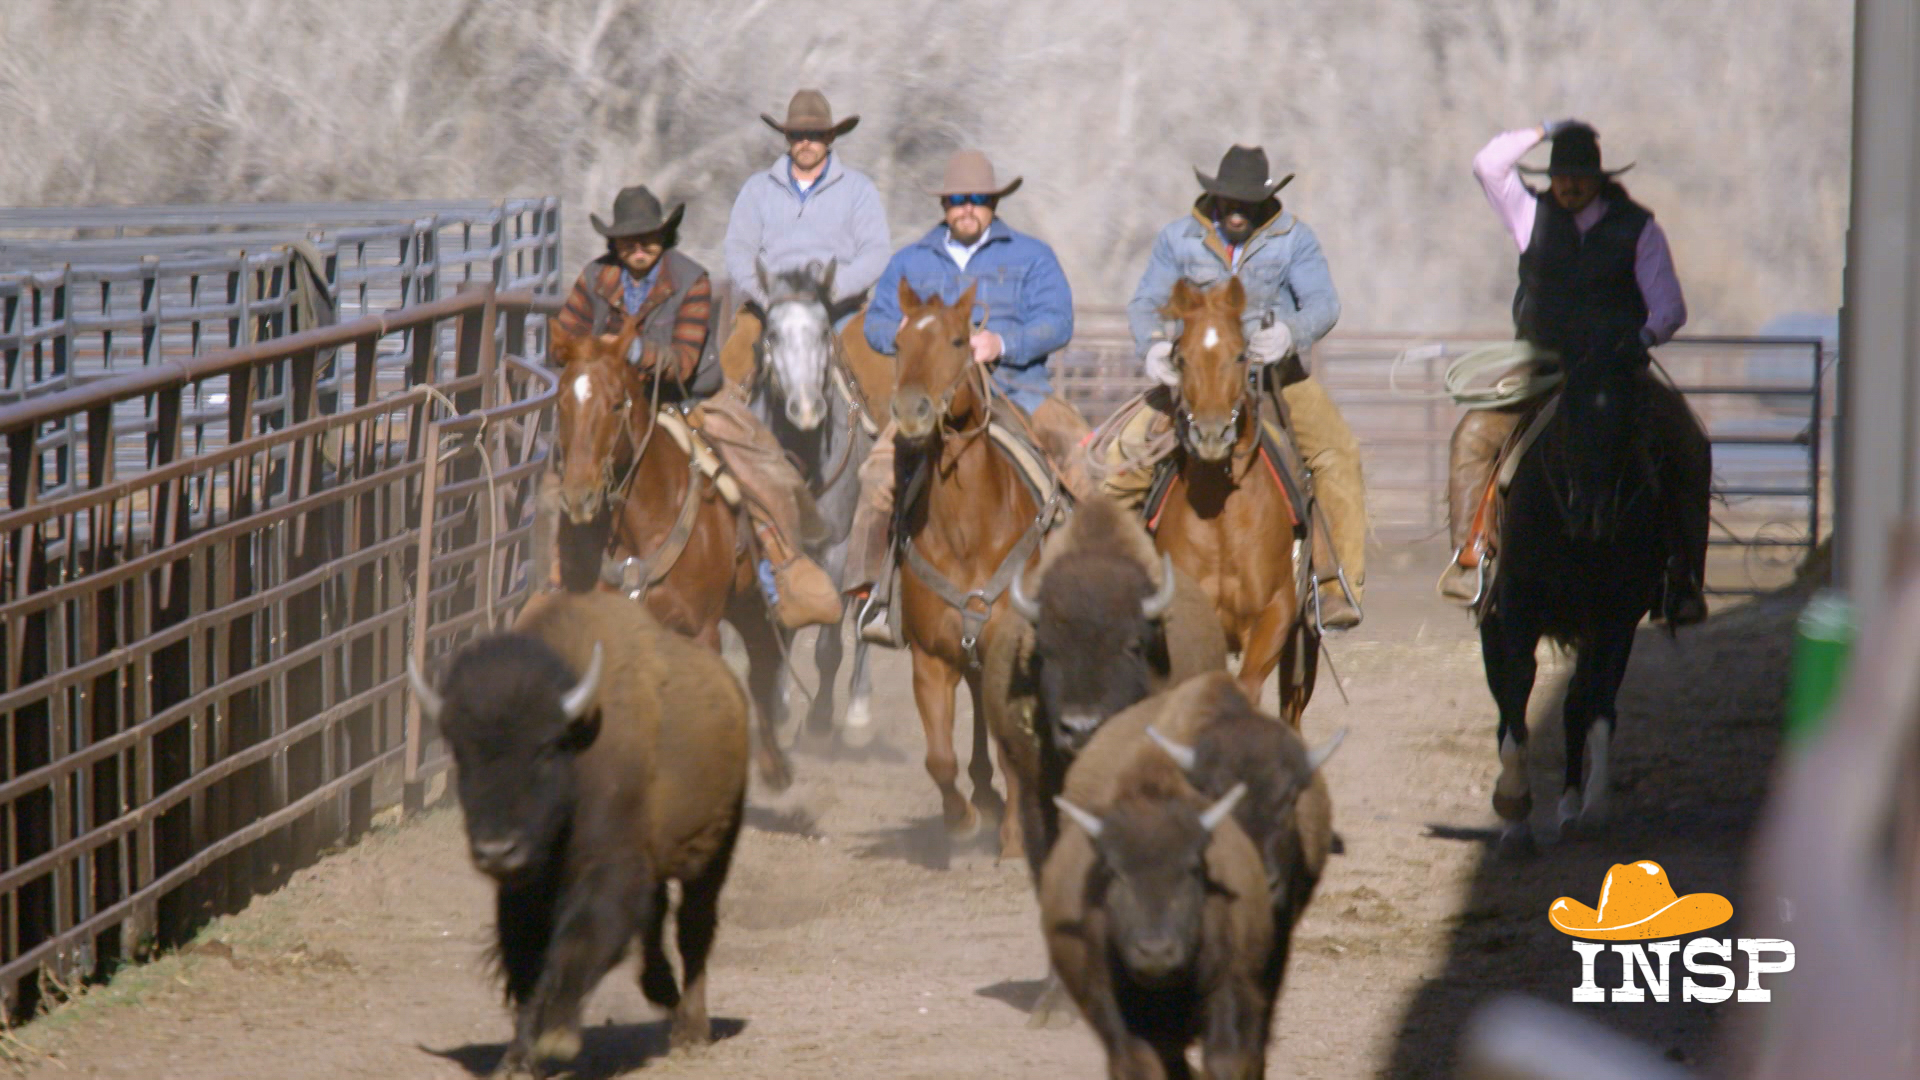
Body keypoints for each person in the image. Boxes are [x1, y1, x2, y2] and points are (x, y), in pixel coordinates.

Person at [1442, 120, 1709, 625]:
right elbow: (1488, 164)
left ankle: (1682, 576)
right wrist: (1541, 130)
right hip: (1540, 367)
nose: (1567, 184)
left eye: (1579, 174)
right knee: (1474, 435)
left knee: (1689, 443)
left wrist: (1642, 338)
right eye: (1560, 174)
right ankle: (1472, 554)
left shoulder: (1638, 227)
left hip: (1617, 369)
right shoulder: (1529, 213)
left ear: (1598, 177)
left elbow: (1668, 307)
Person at [546, 184, 843, 630]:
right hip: (609, 402)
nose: (639, 247)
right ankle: (557, 576)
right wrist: (593, 354)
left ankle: (781, 567)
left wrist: (631, 352)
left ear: (664, 237)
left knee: (753, 463)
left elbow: (684, 361)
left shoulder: (690, 279)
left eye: (648, 237)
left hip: (684, 400)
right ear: (614, 242)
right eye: (628, 240)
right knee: (562, 471)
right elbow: (564, 341)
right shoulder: (593, 279)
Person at [1102, 144, 1368, 630]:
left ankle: (1334, 585)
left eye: (1245, 203)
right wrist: (1154, 349)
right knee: (1122, 460)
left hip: (1277, 378)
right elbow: (1146, 302)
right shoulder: (1177, 239)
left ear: (1263, 201)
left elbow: (1323, 304)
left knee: (1337, 455)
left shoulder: (1294, 239)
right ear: (1214, 196)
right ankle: (1112, 584)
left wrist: (1289, 332)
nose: (1236, 211)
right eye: (1228, 200)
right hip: (1199, 376)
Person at [842, 149, 1091, 641]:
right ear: (945, 206)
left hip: (1020, 391)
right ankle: (871, 594)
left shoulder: (1031, 255)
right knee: (876, 475)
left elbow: (1058, 321)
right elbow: (876, 324)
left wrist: (1003, 343)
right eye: (958, 200)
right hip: (932, 404)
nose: (967, 208)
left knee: (1087, 463)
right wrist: (916, 333)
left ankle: (1094, 597)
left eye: (978, 199)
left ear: (994, 203)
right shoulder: (911, 260)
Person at [719, 89, 891, 387]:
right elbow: (738, 250)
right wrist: (768, 296)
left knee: (877, 377)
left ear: (830, 138)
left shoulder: (858, 189)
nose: (806, 143)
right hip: (770, 308)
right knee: (732, 366)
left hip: (840, 310)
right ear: (787, 138)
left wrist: (833, 290)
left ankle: (888, 433)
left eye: (815, 134)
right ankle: (713, 430)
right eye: (797, 135)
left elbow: (876, 252)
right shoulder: (757, 189)